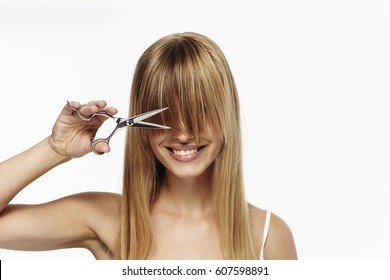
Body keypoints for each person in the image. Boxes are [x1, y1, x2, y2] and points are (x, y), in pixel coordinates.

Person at [0, 32, 297, 260]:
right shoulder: (110, 219)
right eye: (166, 116)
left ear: (226, 114)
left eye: (201, 111)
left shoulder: (267, 235)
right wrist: (54, 149)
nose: (183, 133)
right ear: (143, 125)